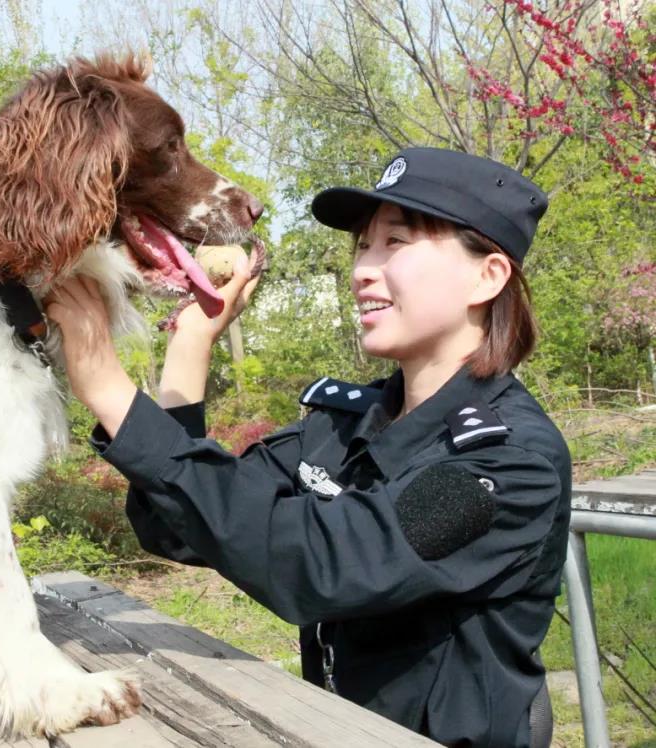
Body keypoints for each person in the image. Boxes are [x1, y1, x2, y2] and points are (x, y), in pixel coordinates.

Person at [45, 147, 570, 748]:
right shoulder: (348, 424)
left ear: (488, 275)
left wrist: (109, 388)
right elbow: (184, 525)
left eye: (395, 243)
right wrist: (190, 346)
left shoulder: (505, 463)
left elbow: (320, 567)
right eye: (363, 247)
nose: (363, 270)